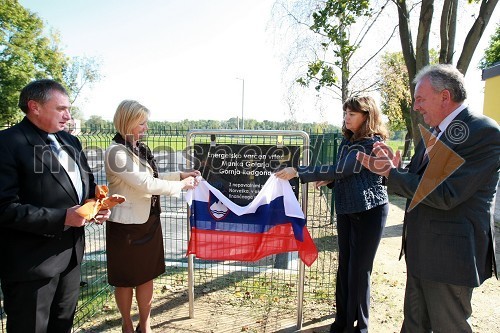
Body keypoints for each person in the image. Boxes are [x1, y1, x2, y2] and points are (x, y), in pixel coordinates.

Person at [357, 64, 499, 332]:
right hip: (421, 251)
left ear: (444, 96)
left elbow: (447, 194)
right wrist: (395, 171)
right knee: (413, 325)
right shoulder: (431, 133)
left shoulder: (483, 132)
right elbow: (418, 183)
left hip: (450, 257)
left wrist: (393, 174)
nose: (416, 107)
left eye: (420, 99)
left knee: (449, 327)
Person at [0, 79, 110, 333]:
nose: (68, 116)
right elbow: (4, 208)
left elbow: (88, 186)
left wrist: (96, 206)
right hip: (32, 265)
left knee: (62, 325)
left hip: (71, 258)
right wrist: (62, 217)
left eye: (69, 109)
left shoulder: (71, 142)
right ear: (34, 107)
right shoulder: (8, 143)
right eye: (61, 109)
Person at [276, 96, 389, 333]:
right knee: (345, 267)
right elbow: (344, 175)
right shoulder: (348, 142)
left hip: (369, 212)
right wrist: (330, 180)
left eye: (352, 114)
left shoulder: (371, 144)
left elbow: (343, 169)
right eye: (345, 113)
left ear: (367, 117)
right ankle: (343, 322)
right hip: (348, 210)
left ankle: (360, 327)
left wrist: (298, 171)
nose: (346, 118)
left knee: (360, 270)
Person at [104, 100, 199, 333]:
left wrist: (179, 175)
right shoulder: (115, 152)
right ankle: (127, 324)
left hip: (149, 221)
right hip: (125, 226)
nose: (146, 127)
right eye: (142, 123)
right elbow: (145, 184)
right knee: (125, 280)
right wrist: (183, 185)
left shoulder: (137, 148)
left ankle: (144, 323)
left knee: (147, 276)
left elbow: (153, 175)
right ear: (128, 122)